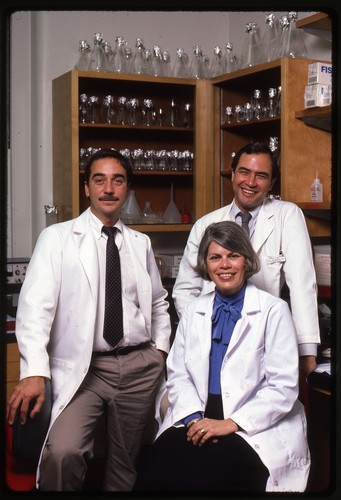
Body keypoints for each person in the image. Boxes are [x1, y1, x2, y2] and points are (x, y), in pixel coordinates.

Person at [6, 148, 171, 491]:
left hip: (140, 365)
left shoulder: (140, 242)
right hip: (85, 370)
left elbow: (158, 302)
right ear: (87, 188)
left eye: (118, 180)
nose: (108, 188)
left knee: (125, 463)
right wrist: (35, 370)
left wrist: (160, 353)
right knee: (63, 453)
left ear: (127, 189)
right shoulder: (58, 239)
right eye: (99, 180)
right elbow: (34, 308)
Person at [135, 221, 311, 493]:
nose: (225, 265)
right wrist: (194, 418)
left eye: (233, 256)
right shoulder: (194, 311)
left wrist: (230, 424)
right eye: (215, 257)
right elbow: (179, 375)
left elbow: (283, 387)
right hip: (196, 414)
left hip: (249, 423)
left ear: (246, 260)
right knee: (154, 474)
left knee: (207, 479)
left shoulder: (274, 311)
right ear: (206, 264)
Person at [173, 142, 320, 376]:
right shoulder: (206, 224)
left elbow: (302, 286)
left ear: (271, 183)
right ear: (232, 175)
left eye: (261, 176)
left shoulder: (287, 215)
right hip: (212, 339)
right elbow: (184, 290)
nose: (250, 183)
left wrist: (307, 352)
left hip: (267, 341)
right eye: (244, 172)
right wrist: (202, 329)